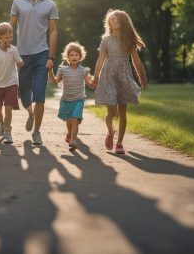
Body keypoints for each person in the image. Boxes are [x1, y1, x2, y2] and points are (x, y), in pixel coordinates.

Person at [10, 0, 59, 145]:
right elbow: (9, 27)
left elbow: (53, 32)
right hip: (22, 54)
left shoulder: (50, 5)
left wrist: (51, 57)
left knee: (39, 95)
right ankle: (30, 114)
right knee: (24, 94)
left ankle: (37, 132)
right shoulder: (17, 3)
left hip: (41, 54)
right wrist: (7, 50)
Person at [92, 9, 148, 155]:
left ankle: (120, 143)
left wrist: (142, 76)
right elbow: (100, 59)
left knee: (122, 112)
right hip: (109, 75)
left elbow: (136, 60)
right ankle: (110, 132)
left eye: (116, 19)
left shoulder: (128, 39)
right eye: (111, 19)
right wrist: (96, 77)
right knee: (111, 111)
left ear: (123, 21)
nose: (113, 21)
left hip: (123, 75)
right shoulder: (106, 39)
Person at [49, 42, 94, 151]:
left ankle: (73, 140)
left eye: (76, 55)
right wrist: (50, 70)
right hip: (66, 100)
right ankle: (69, 133)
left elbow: (89, 83)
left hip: (79, 99)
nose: (74, 57)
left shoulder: (83, 70)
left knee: (74, 119)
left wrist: (95, 81)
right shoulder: (63, 69)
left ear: (80, 57)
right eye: (72, 55)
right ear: (68, 57)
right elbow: (54, 81)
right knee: (69, 121)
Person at [0, 22, 24, 144]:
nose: (9, 39)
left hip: (12, 83)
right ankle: (2, 124)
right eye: (6, 37)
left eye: (10, 37)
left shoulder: (14, 50)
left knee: (8, 108)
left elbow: (19, 62)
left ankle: (8, 132)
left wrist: (20, 63)